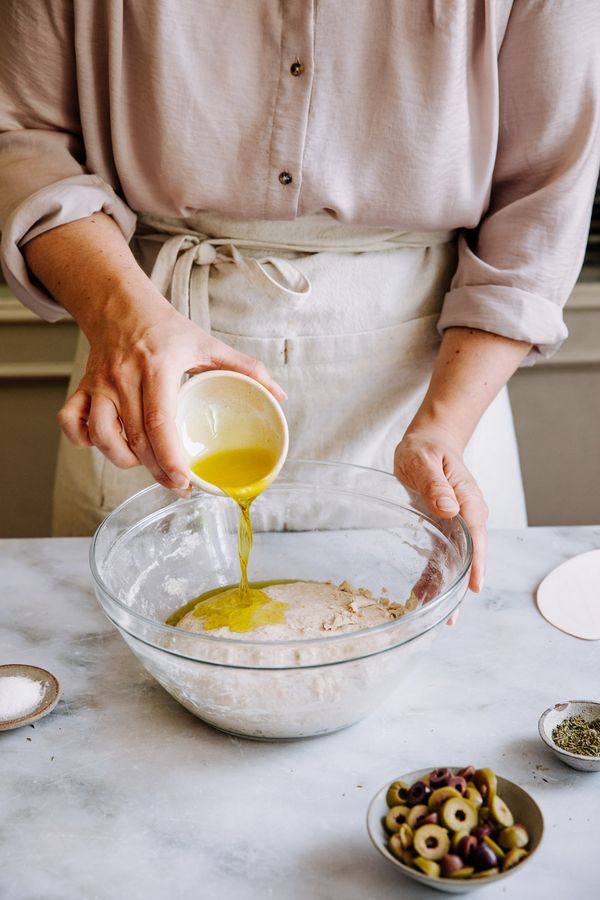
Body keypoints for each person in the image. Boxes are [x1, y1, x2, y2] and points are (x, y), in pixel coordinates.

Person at [1, 2, 598, 596]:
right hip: (144, 333)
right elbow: (22, 138)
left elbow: (541, 201)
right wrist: (127, 322)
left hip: (434, 376)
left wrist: (443, 429)